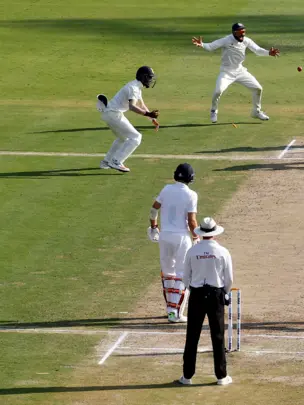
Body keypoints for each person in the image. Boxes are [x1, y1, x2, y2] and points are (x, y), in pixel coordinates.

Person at [176, 217, 233, 386]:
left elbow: (185, 277)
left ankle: (187, 376)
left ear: (201, 232)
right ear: (214, 234)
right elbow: (229, 278)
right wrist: (225, 292)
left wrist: (193, 289)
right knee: (218, 335)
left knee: (192, 335)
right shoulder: (223, 251)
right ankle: (221, 376)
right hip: (216, 294)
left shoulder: (193, 251)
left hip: (197, 294)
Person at [191, 23, 280, 123]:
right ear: (234, 33)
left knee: (258, 88)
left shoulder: (246, 40)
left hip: (240, 71)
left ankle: (256, 112)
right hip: (226, 72)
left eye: (244, 33)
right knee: (218, 91)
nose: (243, 35)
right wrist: (202, 44)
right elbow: (211, 46)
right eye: (240, 33)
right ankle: (213, 110)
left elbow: (257, 50)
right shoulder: (226, 40)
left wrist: (268, 53)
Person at [148, 163, 199, 323]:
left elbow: (153, 209)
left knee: (168, 274)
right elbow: (191, 221)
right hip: (181, 237)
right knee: (182, 275)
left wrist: (154, 226)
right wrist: (196, 237)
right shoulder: (191, 195)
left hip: (165, 236)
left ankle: (170, 310)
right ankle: (176, 313)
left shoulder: (166, 189)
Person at [96, 66, 159, 172]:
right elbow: (132, 107)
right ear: (143, 77)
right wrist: (147, 114)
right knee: (136, 137)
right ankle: (116, 161)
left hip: (109, 114)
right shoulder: (133, 88)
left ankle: (106, 162)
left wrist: (151, 119)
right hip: (113, 114)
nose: (150, 80)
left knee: (122, 138)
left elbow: (141, 105)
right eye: (149, 77)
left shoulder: (136, 86)